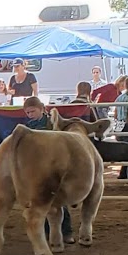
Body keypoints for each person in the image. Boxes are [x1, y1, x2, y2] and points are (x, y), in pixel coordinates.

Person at [21, 97, 73, 242]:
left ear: (42, 108)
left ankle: (66, 232)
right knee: (41, 200)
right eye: (28, 112)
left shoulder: (53, 123)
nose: (30, 115)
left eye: (32, 111)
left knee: (60, 199)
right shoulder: (28, 126)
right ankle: (47, 232)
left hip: (54, 164)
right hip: (37, 166)